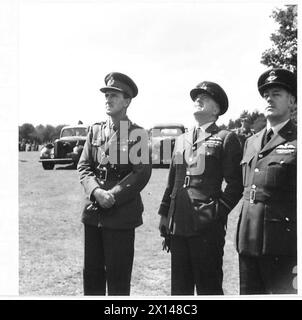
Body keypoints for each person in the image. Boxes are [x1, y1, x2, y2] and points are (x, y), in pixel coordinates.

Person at [158, 81, 243, 295]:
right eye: (196, 97)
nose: (198, 99)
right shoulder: (181, 140)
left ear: (216, 109)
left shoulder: (225, 138)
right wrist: (164, 214)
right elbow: (172, 180)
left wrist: (216, 212)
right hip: (178, 223)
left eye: (204, 97)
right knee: (179, 290)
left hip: (206, 227)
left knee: (209, 288)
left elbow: (236, 183)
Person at [77, 72, 152, 295]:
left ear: (127, 101)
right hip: (94, 213)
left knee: (118, 280)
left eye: (114, 95)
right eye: (106, 95)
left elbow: (142, 173)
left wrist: (113, 195)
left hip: (120, 214)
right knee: (92, 276)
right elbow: (84, 166)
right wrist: (96, 191)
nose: (108, 99)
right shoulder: (95, 130)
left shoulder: (137, 133)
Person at [236, 68, 297, 294]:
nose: (269, 98)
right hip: (247, 240)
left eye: (277, 93)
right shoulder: (251, 142)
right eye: (266, 94)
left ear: (292, 101)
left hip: (283, 244)